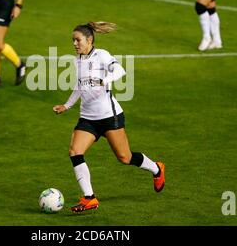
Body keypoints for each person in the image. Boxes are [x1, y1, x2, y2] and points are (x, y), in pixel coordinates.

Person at [53, 21, 165, 213]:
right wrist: (67, 105)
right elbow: (79, 85)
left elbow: (120, 71)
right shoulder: (77, 59)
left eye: (77, 40)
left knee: (124, 157)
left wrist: (103, 80)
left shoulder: (101, 55)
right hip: (87, 118)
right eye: (73, 40)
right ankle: (89, 198)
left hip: (109, 116)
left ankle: (156, 168)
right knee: (75, 151)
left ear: (89, 40)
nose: (74, 44)